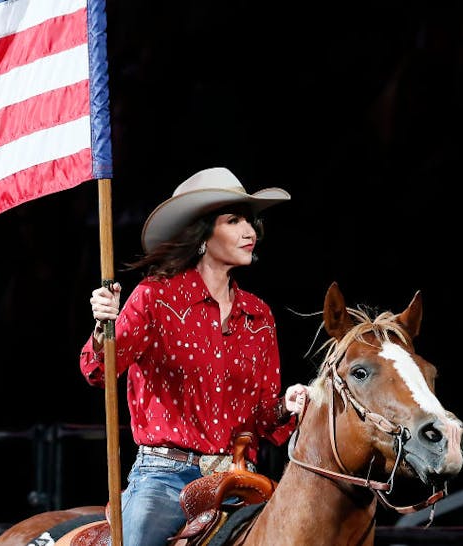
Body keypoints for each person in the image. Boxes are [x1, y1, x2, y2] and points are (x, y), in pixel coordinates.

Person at [79, 166, 308, 546]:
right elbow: (99, 373)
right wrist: (106, 325)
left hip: (240, 482)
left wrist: (286, 404)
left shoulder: (258, 316)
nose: (249, 232)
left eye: (250, 221)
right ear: (201, 232)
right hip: (165, 478)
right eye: (233, 221)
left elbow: (265, 419)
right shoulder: (155, 298)